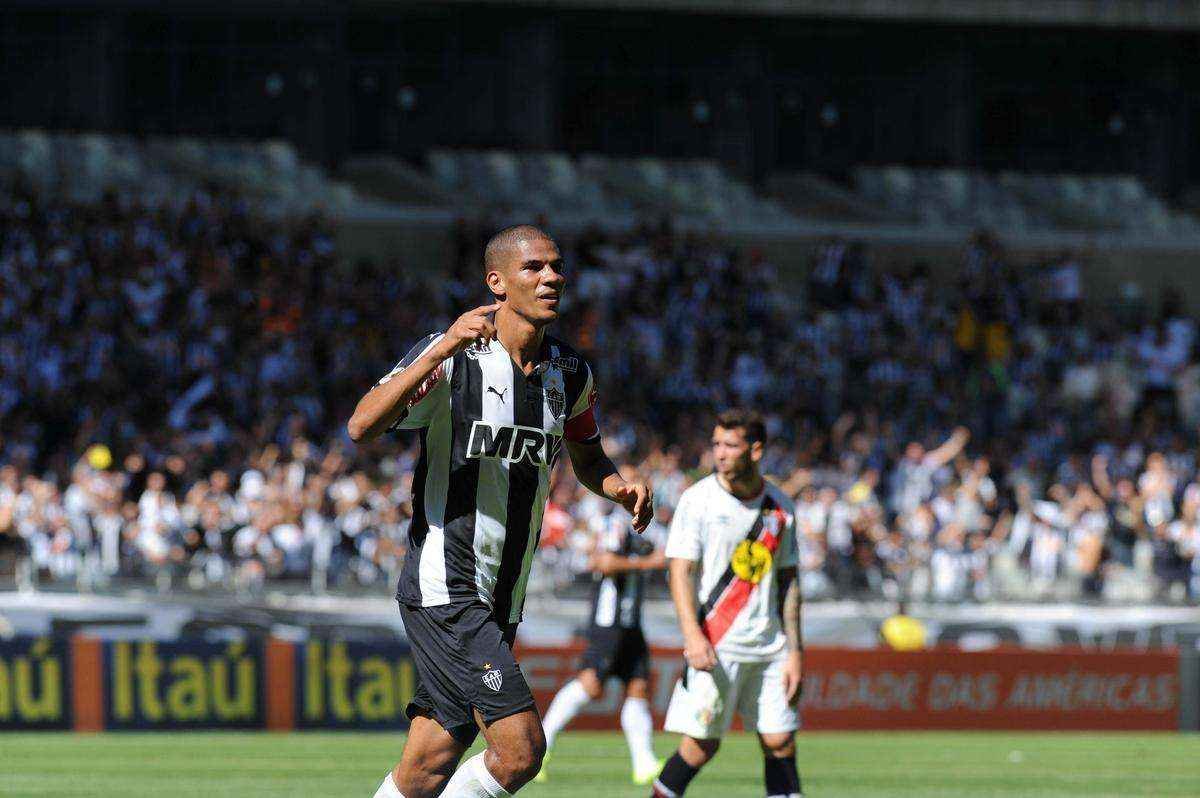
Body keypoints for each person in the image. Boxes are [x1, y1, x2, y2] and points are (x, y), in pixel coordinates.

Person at [347, 225, 654, 798]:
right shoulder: (456, 357)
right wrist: (440, 347)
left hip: (502, 593)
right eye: (534, 267)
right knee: (520, 752)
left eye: (556, 267)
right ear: (497, 282)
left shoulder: (571, 374)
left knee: (429, 761)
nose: (552, 278)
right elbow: (362, 424)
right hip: (448, 585)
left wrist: (617, 487)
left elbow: (588, 456)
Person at [652, 409, 803, 798]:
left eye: (730, 445)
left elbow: (789, 583)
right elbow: (680, 572)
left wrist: (796, 652)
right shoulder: (698, 501)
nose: (719, 453)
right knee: (700, 747)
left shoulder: (780, 508)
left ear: (754, 450)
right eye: (716, 444)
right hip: (716, 643)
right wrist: (692, 636)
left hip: (770, 648)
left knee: (781, 741)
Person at [537, 470, 667, 785]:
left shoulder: (651, 529)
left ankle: (644, 763)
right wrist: (648, 563)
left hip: (631, 621)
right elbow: (604, 563)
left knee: (638, 687)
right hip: (607, 621)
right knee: (591, 684)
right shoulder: (613, 524)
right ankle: (541, 746)